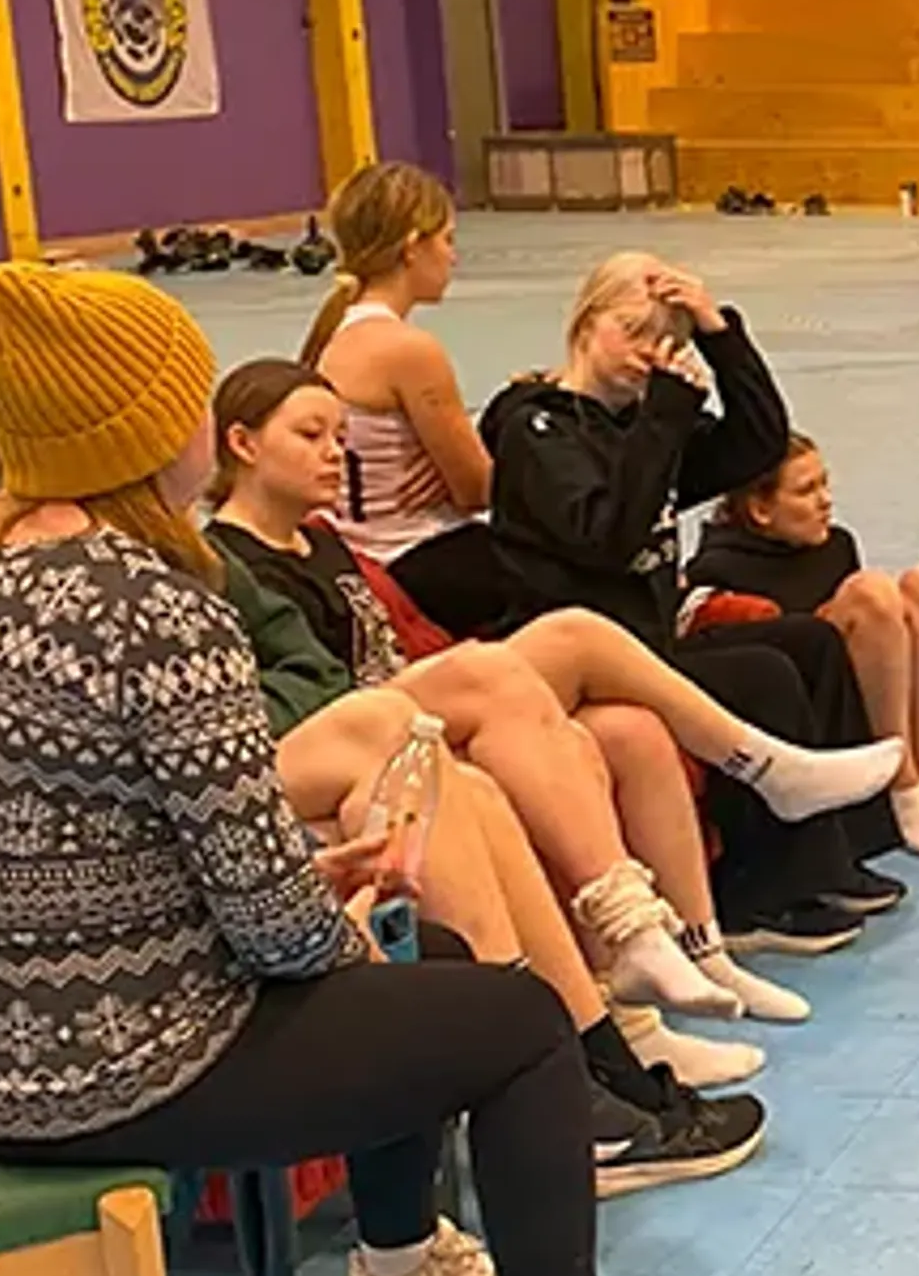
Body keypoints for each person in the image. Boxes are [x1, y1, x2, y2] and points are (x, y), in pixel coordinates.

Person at [0, 261, 711, 1276]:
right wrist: (326, 896)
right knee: (513, 1017)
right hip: (114, 1072)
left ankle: (397, 1275)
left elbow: (73, 845)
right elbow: (274, 935)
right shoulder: (153, 606)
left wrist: (318, 885)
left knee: (408, 970)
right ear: (151, 426)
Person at [210, 353, 846, 1069]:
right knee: (564, 636)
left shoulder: (322, 540)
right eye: (311, 436)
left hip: (407, 697)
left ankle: (683, 965)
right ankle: (761, 767)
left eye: (338, 434)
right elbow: (298, 692)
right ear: (243, 444)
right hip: (361, 730)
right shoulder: (230, 564)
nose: (336, 453)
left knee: (624, 731)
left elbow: (401, 636)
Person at [481, 253, 910, 960]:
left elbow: (761, 441)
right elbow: (606, 538)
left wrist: (720, 333)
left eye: (667, 340)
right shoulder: (538, 429)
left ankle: (839, 852)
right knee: (760, 677)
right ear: (588, 325)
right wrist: (665, 421)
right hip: (587, 663)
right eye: (634, 332)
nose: (651, 354)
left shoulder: (643, 427)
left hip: (651, 644)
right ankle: (754, 896)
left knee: (808, 643)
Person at [692, 435, 919, 859]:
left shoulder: (836, 545)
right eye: (806, 491)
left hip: (866, 694)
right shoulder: (720, 566)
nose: (826, 501)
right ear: (760, 510)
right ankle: (901, 791)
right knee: (871, 593)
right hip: (810, 710)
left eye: (825, 484)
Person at [296, 161, 514, 636]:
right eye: (448, 240)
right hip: (412, 555)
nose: (453, 258)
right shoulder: (408, 351)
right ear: (413, 246)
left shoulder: (336, 331)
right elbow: (478, 491)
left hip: (360, 548)